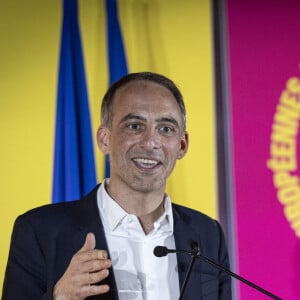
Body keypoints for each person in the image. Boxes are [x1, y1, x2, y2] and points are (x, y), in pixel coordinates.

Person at [2, 72, 232, 300]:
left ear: (182, 145)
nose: (151, 142)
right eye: (134, 126)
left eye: (166, 129)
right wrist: (59, 297)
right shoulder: (40, 231)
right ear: (104, 139)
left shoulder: (208, 234)